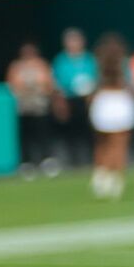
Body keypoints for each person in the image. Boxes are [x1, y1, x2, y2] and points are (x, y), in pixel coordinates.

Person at [88, 32, 134, 200]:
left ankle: (101, 174)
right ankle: (115, 178)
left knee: (102, 142)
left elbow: (93, 86)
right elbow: (132, 85)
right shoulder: (124, 64)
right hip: (120, 101)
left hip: (104, 101)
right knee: (119, 143)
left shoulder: (98, 63)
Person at [5, 41, 59, 177]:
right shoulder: (16, 66)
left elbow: (48, 84)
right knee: (26, 136)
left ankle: (47, 160)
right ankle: (27, 163)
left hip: (39, 106)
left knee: (42, 133)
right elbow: (13, 84)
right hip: (24, 107)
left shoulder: (41, 64)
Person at [51, 27, 96, 166]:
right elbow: (56, 82)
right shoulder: (60, 60)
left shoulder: (89, 59)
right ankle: (73, 161)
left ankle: (90, 160)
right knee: (72, 132)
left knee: (89, 131)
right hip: (69, 99)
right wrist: (59, 102)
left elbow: (96, 78)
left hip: (88, 99)